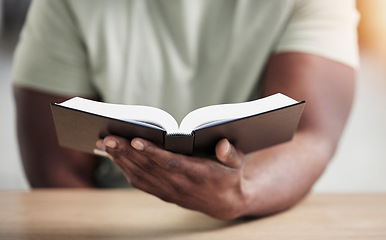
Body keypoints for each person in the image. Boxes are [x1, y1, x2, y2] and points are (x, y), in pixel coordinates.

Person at [12, 0, 358, 220]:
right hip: (113, 218)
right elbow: (56, 167)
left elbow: (310, 134)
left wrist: (240, 194)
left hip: (252, 211)